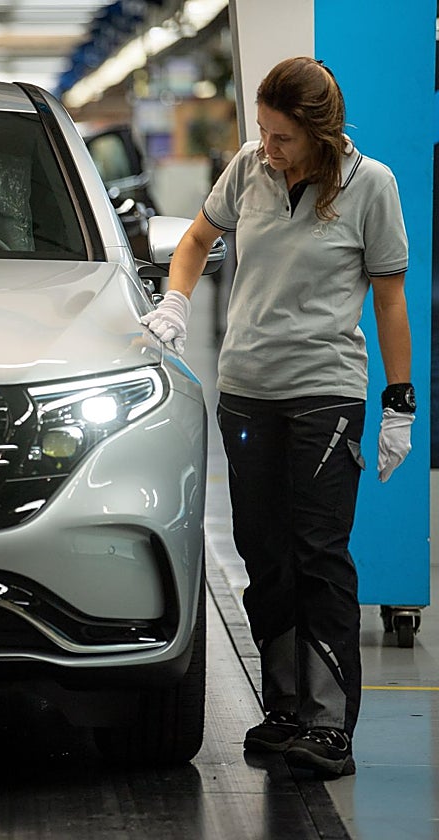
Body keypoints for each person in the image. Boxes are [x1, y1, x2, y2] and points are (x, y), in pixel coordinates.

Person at [141, 56, 413, 778]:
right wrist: (177, 299)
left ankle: (329, 727)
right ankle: (286, 708)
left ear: (319, 134)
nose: (269, 147)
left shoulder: (371, 186)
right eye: (262, 131)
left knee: (318, 553)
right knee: (265, 556)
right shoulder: (248, 171)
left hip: (325, 391)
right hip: (247, 390)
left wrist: (400, 403)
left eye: (282, 136)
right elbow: (196, 240)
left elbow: (389, 297)